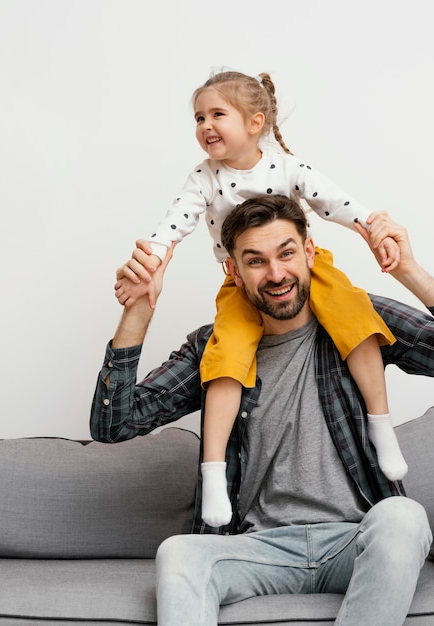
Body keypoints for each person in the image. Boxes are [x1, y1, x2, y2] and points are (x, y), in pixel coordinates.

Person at [91, 195, 434, 625]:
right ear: (233, 272)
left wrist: (408, 270)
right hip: (259, 549)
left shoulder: (356, 319)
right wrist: (138, 311)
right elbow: (114, 425)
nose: (276, 274)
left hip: (354, 542)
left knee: (404, 518)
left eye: (287, 253)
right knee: (178, 552)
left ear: (309, 252)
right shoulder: (213, 347)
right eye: (256, 261)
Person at [115, 69, 408, 528]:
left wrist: (374, 228)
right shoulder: (202, 178)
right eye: (198, 117)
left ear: (255, 122)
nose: (205, 125)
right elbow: (175, 224)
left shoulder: (288, 167)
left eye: (217, 114)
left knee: (359, 322)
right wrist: (150, 263)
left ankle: (380, 424)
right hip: (238, 290)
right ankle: (214, 471)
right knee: (225, 359)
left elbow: (334, 201)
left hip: (316, 270)